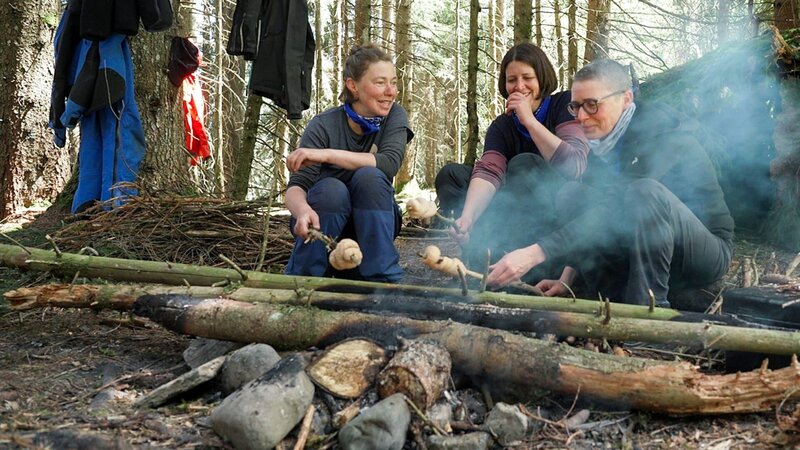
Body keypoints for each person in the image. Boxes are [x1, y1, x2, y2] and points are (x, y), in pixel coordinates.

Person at [485, 58, 734, 307]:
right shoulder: (603, 142)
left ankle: (648, 309)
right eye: (576, 107)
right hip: (645, 248)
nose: (581, 117)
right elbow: (594, 212)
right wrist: (566, 278)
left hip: (701, 252)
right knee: (573, 194)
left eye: (592, 105)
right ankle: (606, 294)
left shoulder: (661, 131)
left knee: (643, 193)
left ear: (625, 99)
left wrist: (536, 252)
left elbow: (617, 208)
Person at [434, 42, 589, 289]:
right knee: (452, 176)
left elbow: (575, 166)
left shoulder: (564, 105)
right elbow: (489, 171)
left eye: (528, 78)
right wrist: (468, 216)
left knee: (525, 165)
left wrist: (529, 121)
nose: (519, 86)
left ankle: (532, 270)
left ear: (542, 78)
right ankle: (482, 255)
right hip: (512, 213)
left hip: (559, 217)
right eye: (512, 80)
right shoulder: (502, 125)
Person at [284, 44, 414, 283]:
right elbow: (296, 187)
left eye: (394, 83)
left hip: (373, 233)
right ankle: (305, 281)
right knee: (331, 189)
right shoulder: (324, 125)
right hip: (326, 233)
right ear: (353, 85)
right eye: (380, 83)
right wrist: (302, 211)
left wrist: (325, 155)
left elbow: (388, 163)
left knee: (370, 177)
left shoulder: (394, 116)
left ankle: (382, 280)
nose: (391, 92)